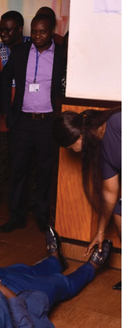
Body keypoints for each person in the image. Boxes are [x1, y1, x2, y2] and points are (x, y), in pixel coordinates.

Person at [0, 14, 66, 234]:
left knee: (45, 171)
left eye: (43, 31)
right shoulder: (20, 52)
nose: (37, 36)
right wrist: (8, 112)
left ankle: (42, 216)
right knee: (18, 170)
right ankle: (16, 217)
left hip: (47, 122)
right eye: (34, 31)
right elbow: (3, 79)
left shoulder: (62, 56)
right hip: (23, 122)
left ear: (52, 31)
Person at [52, 107, 121, 289]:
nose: (73, 152)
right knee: (119, 212)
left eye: (69, 147)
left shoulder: (116, 122)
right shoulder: (101, 148)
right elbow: (110, 192)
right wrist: (100, 232)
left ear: (79, 136)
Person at [0, 10, 30, 214]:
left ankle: (28, 203)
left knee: (29, 162)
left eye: (9, 30)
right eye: (1, 29)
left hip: (26, 117)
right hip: (2, 118)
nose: (4, 34)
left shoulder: (32, 47)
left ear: (20, 29)